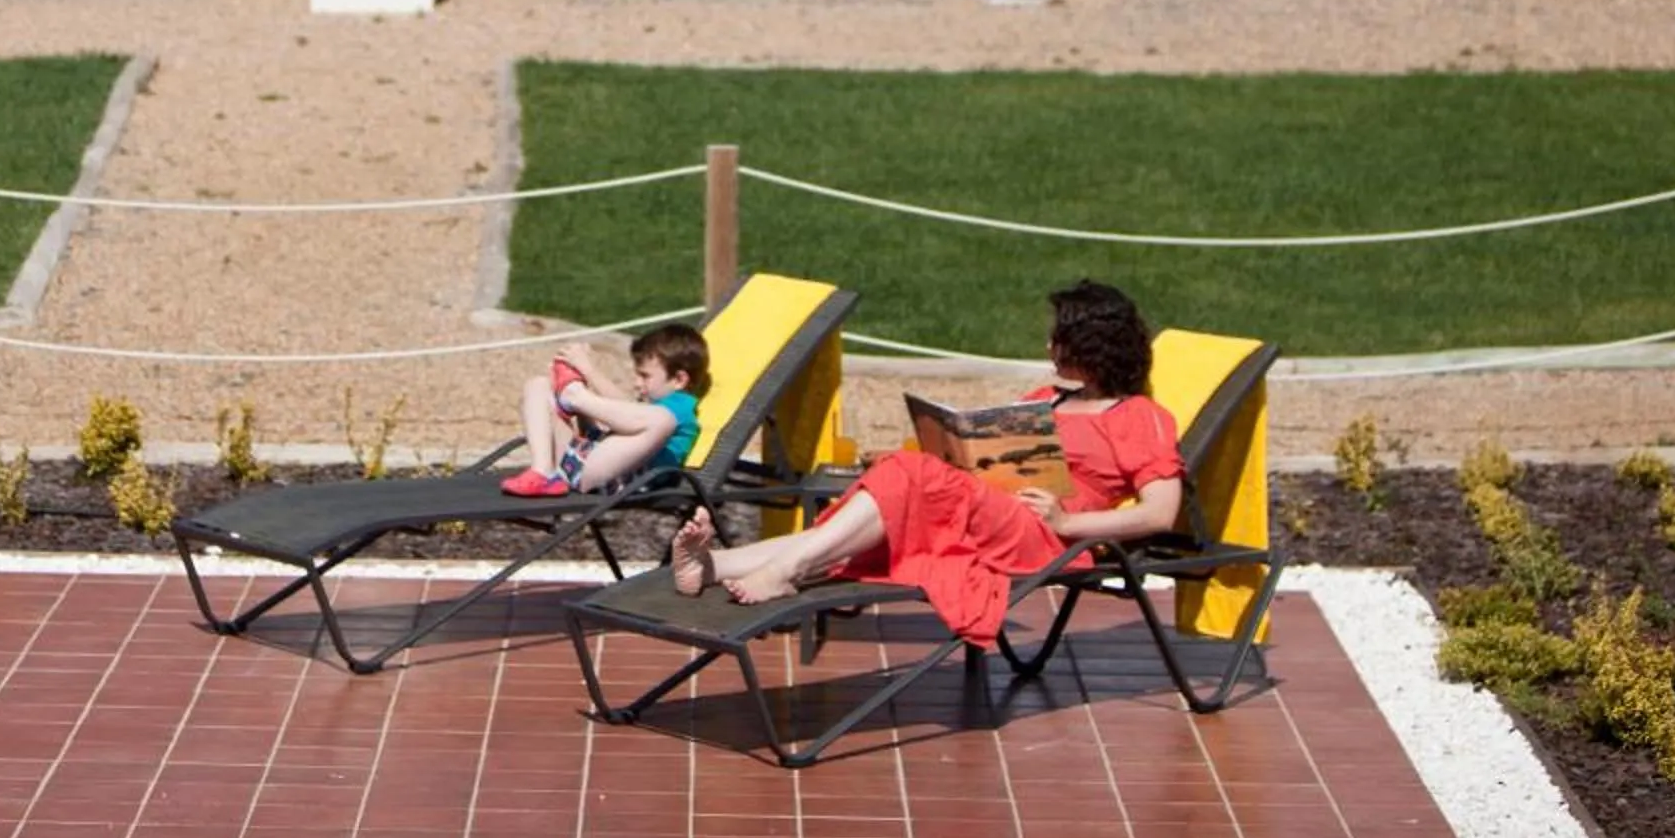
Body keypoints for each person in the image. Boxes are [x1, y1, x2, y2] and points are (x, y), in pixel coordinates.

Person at [667, 279, 1183, 647]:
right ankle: (713, 566)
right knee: (898, 480)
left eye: (1059, 336)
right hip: (986, 509)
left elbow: (1162, 511)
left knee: (906, 475)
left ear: (1091, 346)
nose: (1048, 344)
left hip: (1044, 536)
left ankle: (790, 570)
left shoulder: (1140, 417)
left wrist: (1069, 521)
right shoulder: (1047, 397)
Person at [500, 320, 710, 497]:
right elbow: (626, 411)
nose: (637, 383)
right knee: (538, 384)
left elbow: (630, 410)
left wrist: (588, 372)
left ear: (679, 379)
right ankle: (543, 471)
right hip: (585, 461)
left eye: (644, 376)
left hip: (623, 478)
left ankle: (576, 396)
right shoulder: (652, 408)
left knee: (661, 420)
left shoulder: (681, 409)